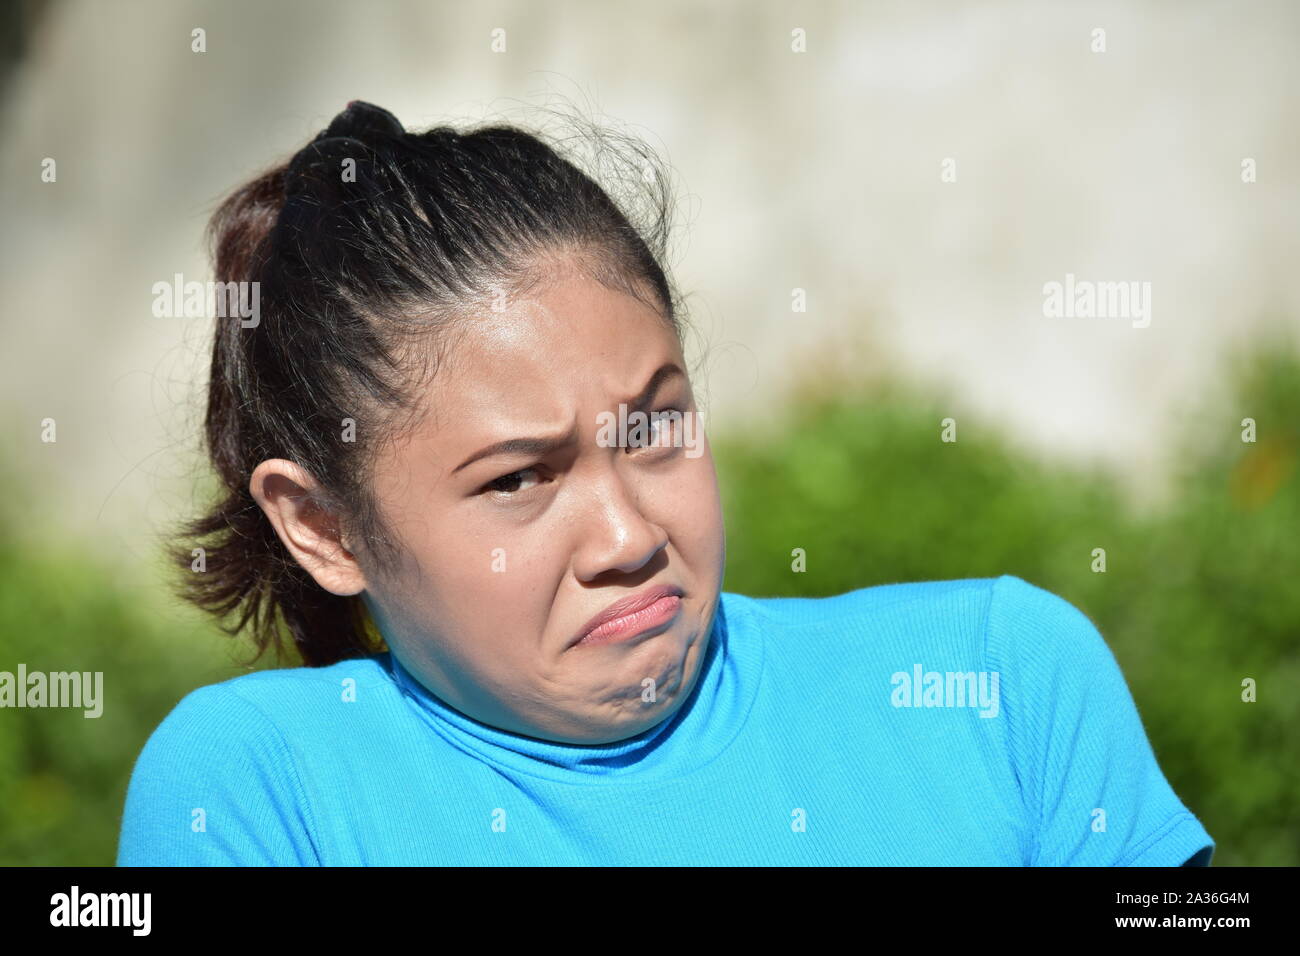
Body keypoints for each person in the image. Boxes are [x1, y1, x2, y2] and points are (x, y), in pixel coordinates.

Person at [116, 101, 1214, 866]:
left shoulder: (999, 684)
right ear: (322, 525)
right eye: (517, 480)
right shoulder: (267, 787)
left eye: (654, 427)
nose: (627, 534)